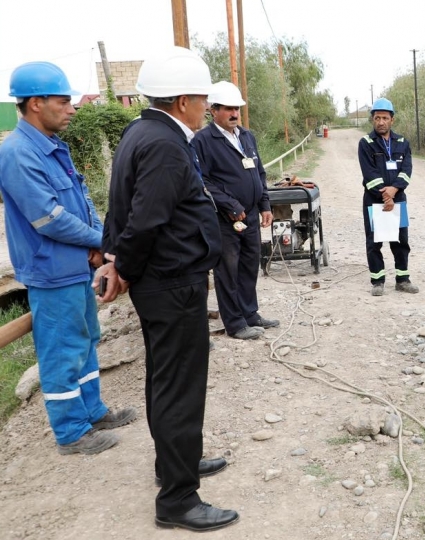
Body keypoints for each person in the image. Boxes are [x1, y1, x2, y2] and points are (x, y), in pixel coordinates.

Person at [94, 46, 238, 532]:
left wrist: (118, 258)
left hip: (165, 281)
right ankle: (177, 499)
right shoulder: (163, 143)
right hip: (171, 283)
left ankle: (175, 463)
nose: (206, 106)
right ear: (182, 101)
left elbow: (123, 211)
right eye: (202, 99)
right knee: (180, 387)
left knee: (166, 380)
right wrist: (125, 266)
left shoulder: (144, 132)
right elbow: (146, 218)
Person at [0, 62, 136, 456]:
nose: (72, 108)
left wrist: (101, 244)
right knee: (61, 351)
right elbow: (49, 218)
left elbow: (82, 203)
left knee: (86, 341)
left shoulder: (54, 146)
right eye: (64, 101)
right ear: (36, 103)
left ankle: (92, 411)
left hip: (76, 265)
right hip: (50, 271)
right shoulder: (17, 153)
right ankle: (71, 432)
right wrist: (99, 240)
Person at [191, 81, 278, 341]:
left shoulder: (246, 136)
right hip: (224, 219)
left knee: (250, 265)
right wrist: (230, 205)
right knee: (228, 270)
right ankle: (235, 323)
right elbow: (202, 181)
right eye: (228, 109)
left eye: (237, 109)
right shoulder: (203, 141)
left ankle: (250, 313)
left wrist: (264, 204)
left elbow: (258, 173)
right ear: (213, 110)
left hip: (250, 215)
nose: (234, 114)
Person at [357, 98, 418, 296]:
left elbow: (406, 171)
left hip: (398, 199)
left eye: (385, 118)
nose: (381, 122)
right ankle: (377, 281)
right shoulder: (366, 143)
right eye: (377, 118)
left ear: (392, 119)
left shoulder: (402, 143)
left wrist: (394, 191)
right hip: (374, 200)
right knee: (374, 242)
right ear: (372, 120)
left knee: (400, 241)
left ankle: (403, 280)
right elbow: (369, 174)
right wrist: (385, 195)